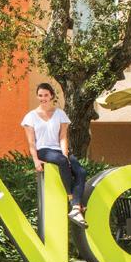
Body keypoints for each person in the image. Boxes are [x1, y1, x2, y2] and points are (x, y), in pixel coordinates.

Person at [21, 82, 88, 227]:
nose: (43, 98)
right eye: (40, 95)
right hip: (43, 150)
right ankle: (72, 200)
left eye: (46, 95)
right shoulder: (30, 117)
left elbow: (63, 137)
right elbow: (31, 142)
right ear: (37, 96)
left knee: (81, 172)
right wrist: (35, 160)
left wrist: (65, 155)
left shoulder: (60, 114)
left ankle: (76, 208)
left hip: (58, 150)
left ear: (51, 96)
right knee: (62, 161)